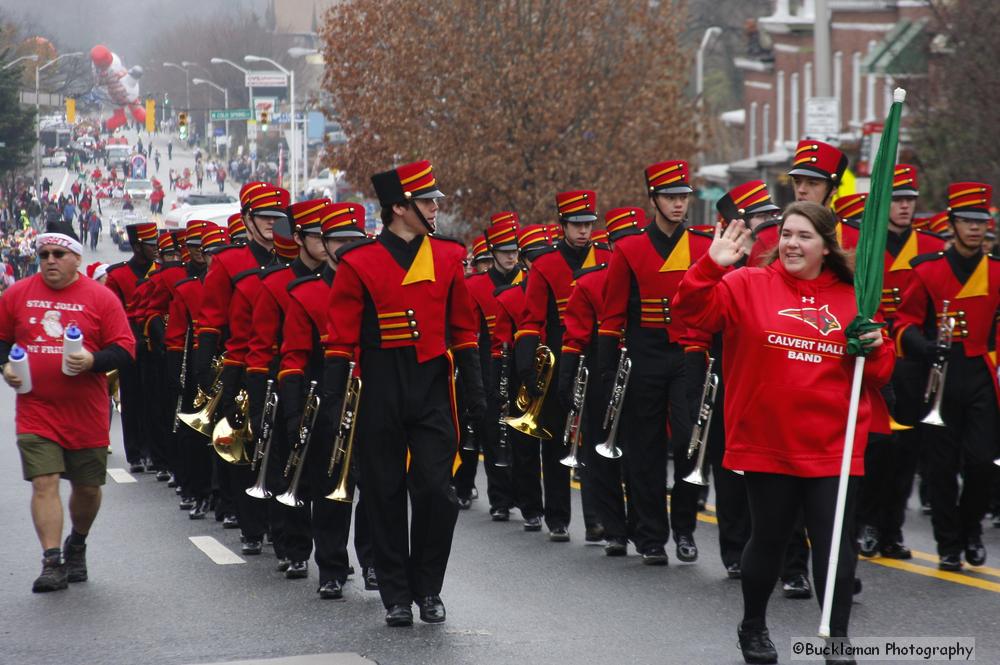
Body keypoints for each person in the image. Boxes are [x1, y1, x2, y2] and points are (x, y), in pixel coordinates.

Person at [674, 201, 894, 664]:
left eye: (804, 236)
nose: (792, 243)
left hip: (832, 443)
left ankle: (836, 638)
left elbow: (877, 375)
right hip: (767, 439)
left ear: (826, 245)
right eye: (787, 235)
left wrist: (875, 347)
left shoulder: (855, 297)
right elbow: (692, 314)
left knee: (835, 544)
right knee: (769, 539)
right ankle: (753, 625)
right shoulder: (746, 283)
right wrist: (708, 267)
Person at [324, 160, 485, 626]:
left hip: (432, 387)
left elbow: (464, 333)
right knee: (384, 494)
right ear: (399, 207)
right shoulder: (359, 262)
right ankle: (396, 595)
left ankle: (428, 587)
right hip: (380, 388)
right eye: (427, 201)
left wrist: (477, 399)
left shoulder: (450, 257)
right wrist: (335, 407)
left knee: (437, 491)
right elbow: (339, 341)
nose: (436, 207)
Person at [0, 230, 135, 592]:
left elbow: (125, 350)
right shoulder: (17, 295)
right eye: (43, 254)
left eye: (59, 253)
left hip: (85, 412)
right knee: (43, 483)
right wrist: (6, 367)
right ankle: (52, 561)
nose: (50, 260)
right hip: (36, 410)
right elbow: (1, 341)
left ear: (76, 258)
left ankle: (78, 542)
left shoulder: (100, 298)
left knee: (87, 489)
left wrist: (93, 360)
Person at [600, 161, 710, 564]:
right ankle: (650, 536)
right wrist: (608, 371)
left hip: (687, 355)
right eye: (670, 197)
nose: (679, 204)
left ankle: (683, 527)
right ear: (653, 200)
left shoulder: (700, 246)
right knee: (643, 451)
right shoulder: (628, 249)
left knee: (686, 441)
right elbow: (612, 318)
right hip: (644, 355)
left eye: (683, 197)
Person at [894, 181, 1000, 572]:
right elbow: (904, 322)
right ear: (953, 223)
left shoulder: (996, 271)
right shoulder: (928, 270)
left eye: (981, 221)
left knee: (981, 462)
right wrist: (923, 347)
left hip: (979, 374)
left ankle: (971, 529)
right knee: (939, 468)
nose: (975, 228)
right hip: (938, 374)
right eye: (967, 221)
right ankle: (948, 543)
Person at [280, 201, 374, 599]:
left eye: (355, 240)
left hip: (374, 397)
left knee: (377, 488)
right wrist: (293, 409)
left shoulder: (376, 289)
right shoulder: (306, 293)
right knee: (330, 487)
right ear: (327, 244)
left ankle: (374, 564)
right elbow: (294, 356)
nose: (348, 248)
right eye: (339, 241)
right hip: (329, 402)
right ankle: (332, 567)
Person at [856, 165, 945, 562]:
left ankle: (891, 529)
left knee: (906, 450)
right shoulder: (862, 240)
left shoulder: (927, 245)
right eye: (897, 199)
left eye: (910, 200)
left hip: (910, 359)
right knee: (875, 447)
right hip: (871, 352)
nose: (905, 206)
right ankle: (867, 524)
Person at [515, 190, 610, 542]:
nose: (584, 231)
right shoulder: (545, 265)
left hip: (598, 356)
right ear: (562, 226)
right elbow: (530, 319)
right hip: (558, 358)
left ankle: (597, 519)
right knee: (556, 440)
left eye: (588, 224)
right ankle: (557, 516)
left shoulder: (608, 258)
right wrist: (528, 367)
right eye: (577, 225)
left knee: (594, 442)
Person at [455, 213, 523, 518]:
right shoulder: (475, 285)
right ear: (493, 252)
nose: (511, 257)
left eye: (515, 251)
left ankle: (522, 496)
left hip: (521, 363)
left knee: (520, 437)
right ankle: (499, 500)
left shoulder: (528, 281)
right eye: (505, 252)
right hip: (488, 363)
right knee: (494, 434)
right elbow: (469, 332)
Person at [104, 223, 158, 471]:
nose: (157, 248)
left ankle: (154, 450)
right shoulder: (118, 275)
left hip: (156, 344)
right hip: (130, 343)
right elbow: (112, 313)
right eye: (151, 245)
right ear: (137, 247)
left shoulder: (162, 271)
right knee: (133, 398)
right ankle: (135, 453)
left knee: (153, 398)